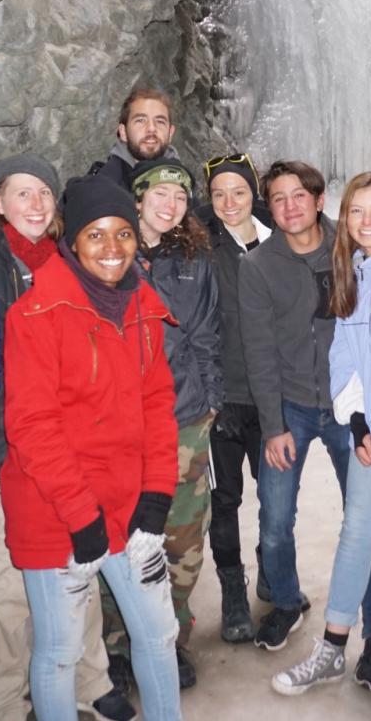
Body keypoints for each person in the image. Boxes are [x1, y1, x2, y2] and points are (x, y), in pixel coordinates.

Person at [0, 153, 134, 721]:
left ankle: (90, 680)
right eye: (20, 193)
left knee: (83, 560)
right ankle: (4, 702)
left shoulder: (70, 260)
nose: (35, 204)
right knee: (8, 585)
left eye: (43, 194)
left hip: (68, 448)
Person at [0, 175, 184, 721]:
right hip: (56, 509)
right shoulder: (34, 315)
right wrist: (81, 517)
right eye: (96, 235)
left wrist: (157, 493)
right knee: (60, 651)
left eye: (124, 234)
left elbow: (158, 405)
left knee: (157, 634)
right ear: (72, 241)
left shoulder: (143, 308)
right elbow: (33, 426)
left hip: (129, 501)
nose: (112, 249)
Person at [238, 160, 371, 679]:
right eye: (278, 199)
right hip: (292, 409)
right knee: (275, 519)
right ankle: (285, 600)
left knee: (368, 525)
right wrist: (272, 423)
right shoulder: (258, 266)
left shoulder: (351, 246)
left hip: (351, 409)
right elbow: (259, 350)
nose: (289, 207)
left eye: (298, 196)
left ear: (319, 198)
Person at [271, 172, 371, 698]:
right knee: (357, 534)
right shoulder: (352, 272)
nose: (367, 222)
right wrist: (357, 420)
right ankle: (333, 647)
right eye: (357, 211)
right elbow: (344, 353)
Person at [101, 158, 223, 691]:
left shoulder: (195, 260)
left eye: (180, 197)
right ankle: (118, 643)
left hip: (185, 420)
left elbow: (209, 337)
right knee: (121, 532)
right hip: (122, 424)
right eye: (160, 194)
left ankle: (172, 639)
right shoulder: (108, 255)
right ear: (138, 198)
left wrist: (210, 401)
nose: (170, 205)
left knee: (182, 540)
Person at [199, 153, 273, 642]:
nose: (229, 203)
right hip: (225, 398)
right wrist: (213, 395)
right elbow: (196, 326)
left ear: (254, 195)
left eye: (239, 192)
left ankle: (274, 572)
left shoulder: (279, 242)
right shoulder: (201, 248)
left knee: (276, 495)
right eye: (219, 194)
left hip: (271, 398)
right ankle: (232, 590)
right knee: (225, 499)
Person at [91, 86, 177, 187]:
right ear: (123, 132)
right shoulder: (101, 188)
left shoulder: (185, 186)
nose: (151, 128)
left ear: (170, 133)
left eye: (160, 121)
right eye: (140, 120)